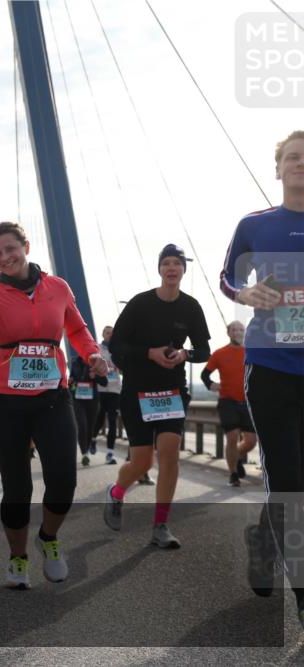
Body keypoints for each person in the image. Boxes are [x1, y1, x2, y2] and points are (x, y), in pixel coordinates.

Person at [0, 221, 106, 590]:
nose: (5, 257)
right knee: (17, 488)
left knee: (64, 480)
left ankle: (48, 537)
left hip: (53, 397)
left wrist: (92, 353)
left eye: (10, 249)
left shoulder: (58, 287)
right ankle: (18, 557)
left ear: (26, 247)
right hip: (6, 402)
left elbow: (77, 329)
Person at [220, 130, 304, 626]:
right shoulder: (255, 225)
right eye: (292, 157)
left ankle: (263, 540)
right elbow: (227, 277)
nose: (300, 164)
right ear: (278, 169)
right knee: (289, 482)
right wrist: (245, 295)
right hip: (271, 367)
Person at [103, 245, 211, 549]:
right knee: (142, 463)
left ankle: (161, 525)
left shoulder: (191, 307)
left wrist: (184, 354)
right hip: (137, 391)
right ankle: (116, 493)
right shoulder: (140, 304)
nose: (172, 268)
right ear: (160, 269)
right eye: (166, 263)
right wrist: (149, 353)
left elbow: (204, 350)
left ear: (183, 270)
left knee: (169, 451)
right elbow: (117, 347)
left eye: (177, 263)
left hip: (172, 390)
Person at [201, 321, 257, 487]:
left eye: (240, 329)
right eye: (234, 330)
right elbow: (205, 375)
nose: (237, 332)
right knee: (232, 437)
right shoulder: (219, 353)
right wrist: (212, 385)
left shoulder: (252, 353)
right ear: (228, 333)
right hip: (228, 401)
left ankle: (236, 457)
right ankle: (233, 474)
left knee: (251, 441)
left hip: (247, 402)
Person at [69, 352, 107, 467]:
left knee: (90, 427)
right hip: (78, 398)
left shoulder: (96, 362)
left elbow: (104, 382)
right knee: (82, 425)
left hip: (92, 400)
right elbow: (72, 377)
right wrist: (71, 380)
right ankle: (84, 453)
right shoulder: (75, 362)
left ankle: (87, 448)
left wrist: (95, 377)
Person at [95, 325, 122, 464]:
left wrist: (120, 366)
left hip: (115, 390)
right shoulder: (98, 349)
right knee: (99, 419)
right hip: (101, 389)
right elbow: (92, 366)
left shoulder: (119, 349)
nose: (110, 335)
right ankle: (93, 439)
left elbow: (123, 369)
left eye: (112, 333)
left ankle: (110, 453)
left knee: (112, 421)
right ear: (103, 334)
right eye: (107, 332)